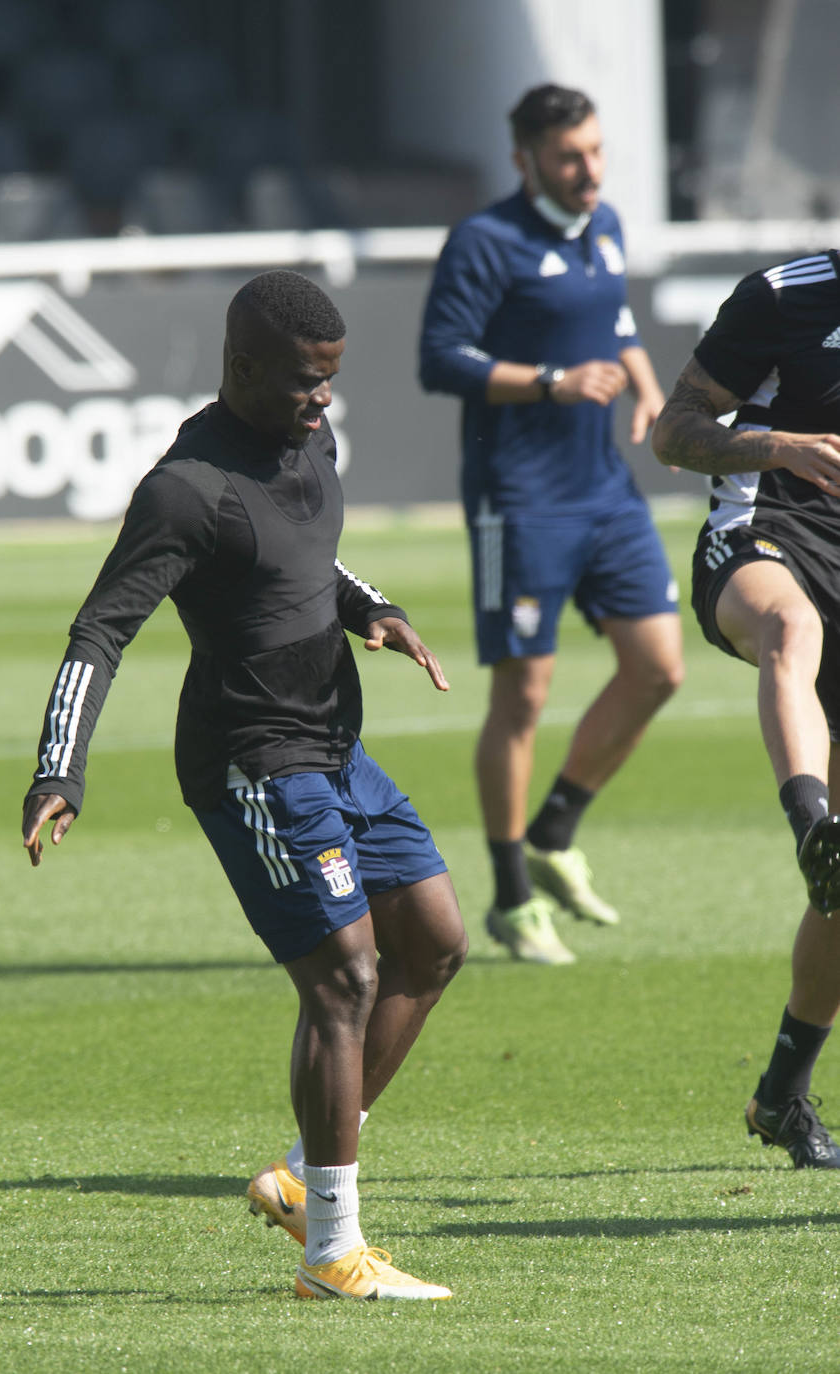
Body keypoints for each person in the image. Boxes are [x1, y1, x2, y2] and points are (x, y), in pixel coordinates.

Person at [22, 269, 468, 1296]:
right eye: (309, 382)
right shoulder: (186, 490)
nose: (324, 401)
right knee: (345, 977)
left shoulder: (314, 438)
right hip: (253, 761)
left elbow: (311, 562)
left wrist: (375, 612)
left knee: (435, 942)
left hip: (336, 744)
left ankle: (307, 1180)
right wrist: (60, 767)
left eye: (333, 381)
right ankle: (332, 1256)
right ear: (245, 368)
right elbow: (101, 629)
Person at [418, 83, 683, 965]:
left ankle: (554, 827)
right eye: (570, 156)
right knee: (522, 697)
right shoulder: (484, 242)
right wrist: (549, 382)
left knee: (658, 667)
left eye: (596, 152)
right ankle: (509, 896)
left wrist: (644, 384)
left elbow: (614, 321)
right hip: (519, 497)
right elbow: (440, 358)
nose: (589, 170)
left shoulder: (600, 227)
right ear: (524, 158)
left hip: (604, 489)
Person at [652, 251, 840, 1169]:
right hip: (761, 534)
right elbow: (671, 431)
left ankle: (780, 1097)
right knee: (790, 628)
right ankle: (810, 817)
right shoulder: (784, 295)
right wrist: (784, 448)